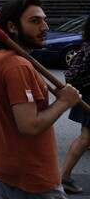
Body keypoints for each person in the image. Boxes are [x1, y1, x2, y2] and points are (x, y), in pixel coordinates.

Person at [0, 0, 81, 198]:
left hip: (2, 169)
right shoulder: (17, 65)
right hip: (30, 179)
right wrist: (64, 102)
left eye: (44, 20)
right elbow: (29, 126)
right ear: (12, 27)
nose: (44, 27)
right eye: (35, 21)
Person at [61, 16, 90, 194]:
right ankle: (63, 177)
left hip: (86, 94)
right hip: (89, 95)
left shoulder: (86, 44)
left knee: (85, 137)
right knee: (85, 138)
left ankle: (63, 177)